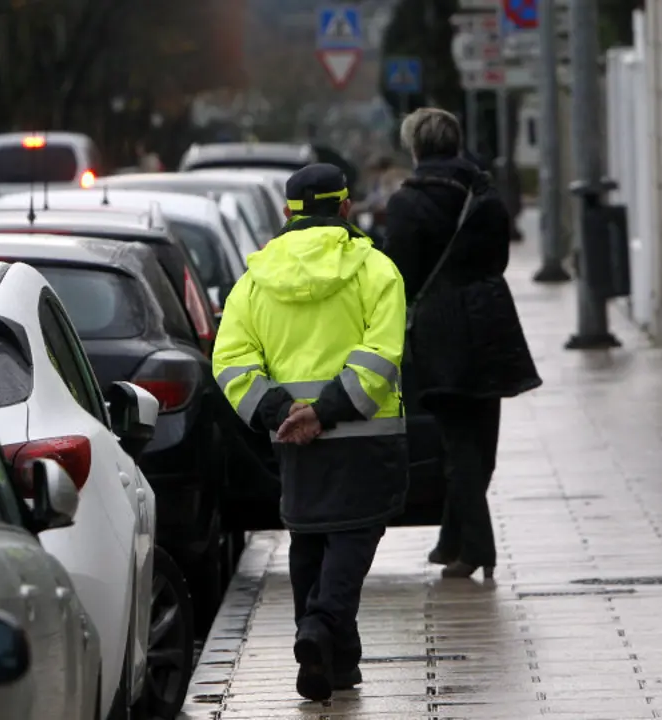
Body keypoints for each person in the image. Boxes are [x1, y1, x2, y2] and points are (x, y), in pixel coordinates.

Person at [212, 163, 409, 702]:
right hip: (365, 432)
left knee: (311, 537)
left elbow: (229, 361)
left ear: (287, 213)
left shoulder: (253, 280)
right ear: (345, 208)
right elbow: (381, 354)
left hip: (295, 440)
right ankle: (320, 628)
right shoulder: (376, 270)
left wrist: (281, 411)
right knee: (354, 534)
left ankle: (333, 664)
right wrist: (329, 409)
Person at [381, 108, 542, 580]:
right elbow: (500, 257)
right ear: (455, 144)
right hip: (491, 324)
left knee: (458, 444)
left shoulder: (406, 204)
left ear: (415, 149)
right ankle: (455, 541)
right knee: (481, 444)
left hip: (440, 330)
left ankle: (474, 548)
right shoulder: (485, 194)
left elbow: (400, 276)